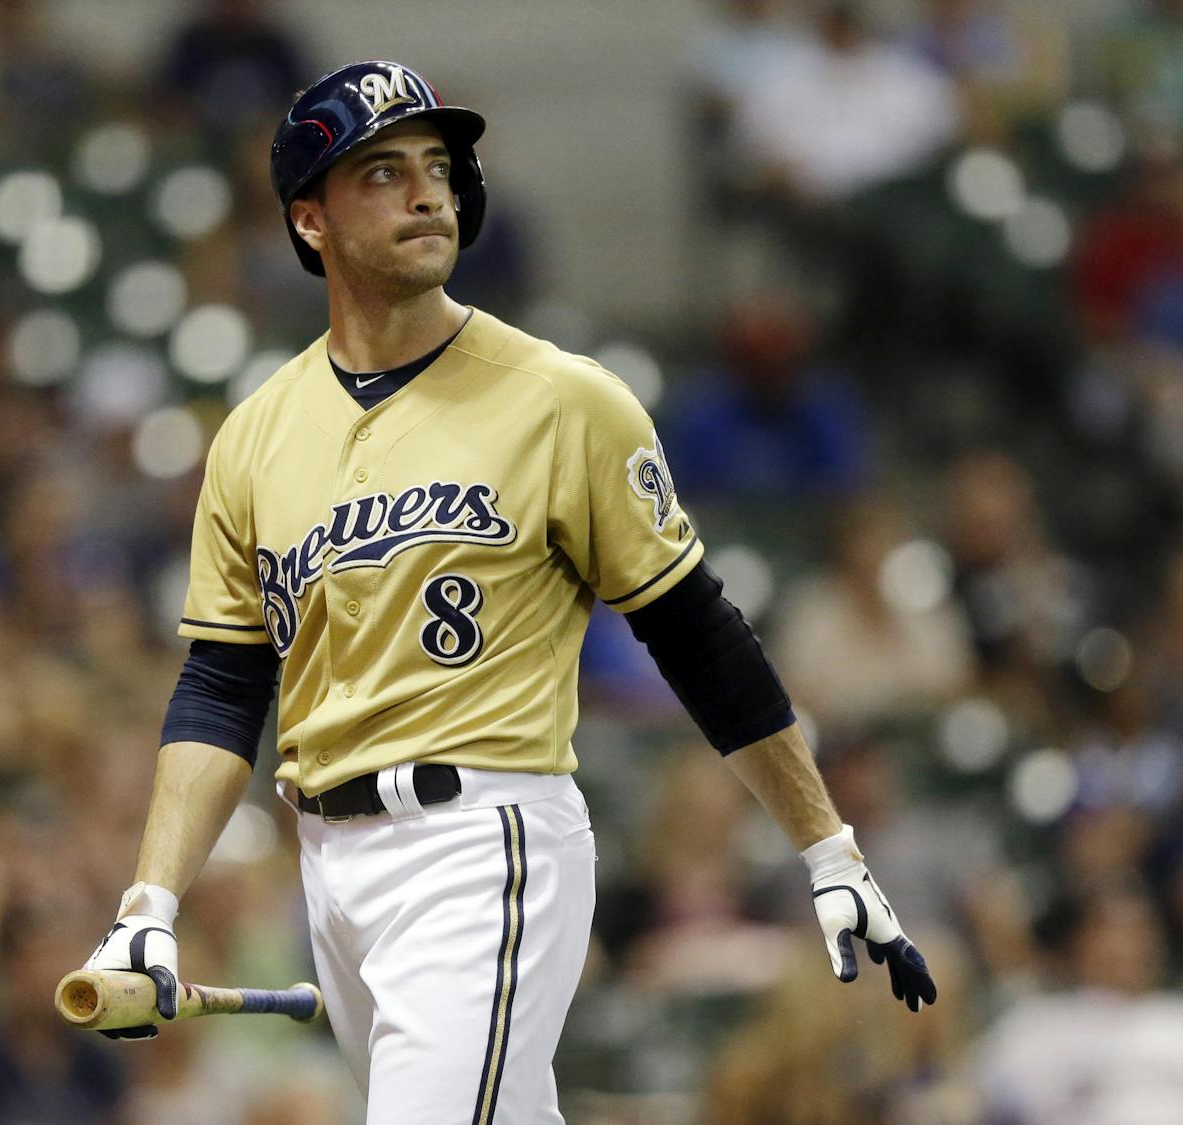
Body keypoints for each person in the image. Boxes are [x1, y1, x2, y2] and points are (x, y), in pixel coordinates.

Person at [77, 60, 937, 1123]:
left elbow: (699, 636)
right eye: (382, 173)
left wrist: (828, 847)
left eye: (437, 167)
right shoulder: (254, 436)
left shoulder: (564, 400)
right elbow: (220, 686)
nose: (426, 194)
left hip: (482, 839)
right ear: (309, 220)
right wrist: (151, 899)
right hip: (328, 863)